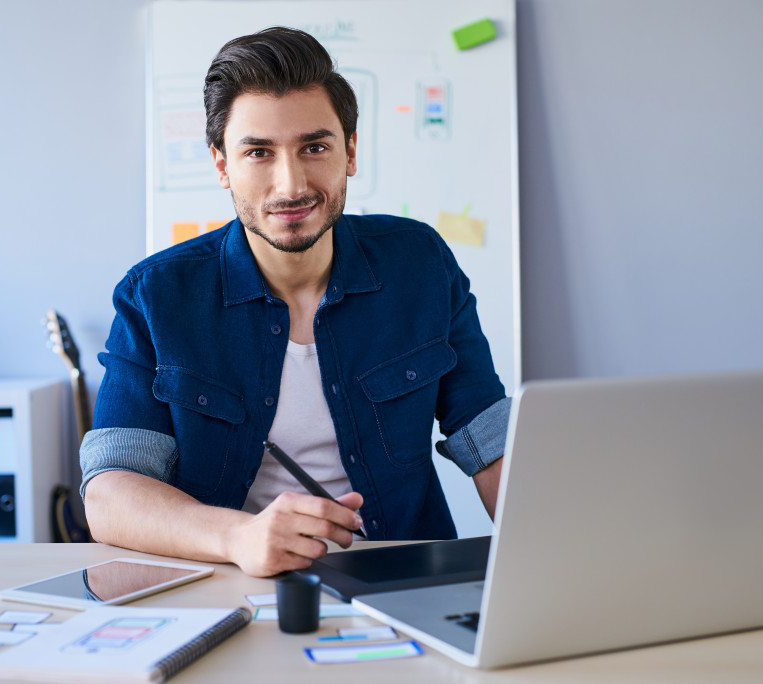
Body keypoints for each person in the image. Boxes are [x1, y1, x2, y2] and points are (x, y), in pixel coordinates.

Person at [80, 27, 510, 577]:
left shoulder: (420, 262)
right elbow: (112, 494)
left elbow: (492, 443)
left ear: (350, 150)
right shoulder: (156, 294)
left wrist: (558, 551)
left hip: (407, 582)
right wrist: (239, 536)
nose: (291, 185)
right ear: (221, 165)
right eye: (258, 152)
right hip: (224, 583)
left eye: (315, 147)